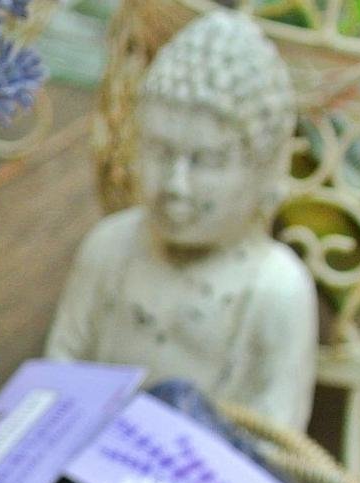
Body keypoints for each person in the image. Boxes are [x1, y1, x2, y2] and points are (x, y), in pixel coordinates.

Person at [46, 11, 318, 429]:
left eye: (206, 161)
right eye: (159, 152)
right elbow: (57, 374)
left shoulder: (276, 289)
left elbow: (277, 436)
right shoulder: (109, 247)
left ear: (265, 168)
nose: (175, 184)